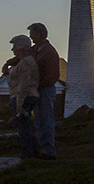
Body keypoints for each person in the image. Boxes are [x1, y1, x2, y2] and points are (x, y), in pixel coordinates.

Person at [27, 23, 59, 159]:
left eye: (33, 34)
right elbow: (22, 58)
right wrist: (9, 63)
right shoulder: (35, 50)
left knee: (45, 120)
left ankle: (49, 151)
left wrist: (38, 85)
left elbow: (52, 76)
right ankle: (43, 150)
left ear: (40, 34)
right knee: (39, 121)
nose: (31, 37)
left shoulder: (49, 52)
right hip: (37, 89)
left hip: (44, 90)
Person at [6, 35, 40, 159]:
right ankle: (35, 152)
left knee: (22, 127)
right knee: (25, 125)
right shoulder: (24, 62)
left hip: (24, 97)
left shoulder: (26, 62)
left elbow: (23, 85)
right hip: (25, 96)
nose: (13, 50)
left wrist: (20, 105)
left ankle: (28, 154)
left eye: (14, 47)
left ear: (21, 48)